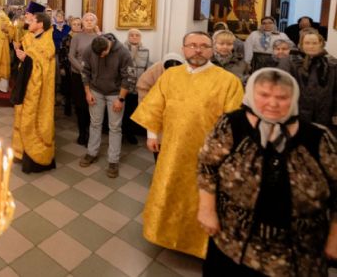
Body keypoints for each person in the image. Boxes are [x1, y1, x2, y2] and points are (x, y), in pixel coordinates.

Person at [197, 68, 337, 275]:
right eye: (264, 95)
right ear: (251, 95)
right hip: (233, 242)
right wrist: (207, 210)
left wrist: (334, 236)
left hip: (299, 253)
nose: (272, 103)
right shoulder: (233, 124)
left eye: (282, 97)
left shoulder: (317, 137)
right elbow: (207, 165)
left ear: (294, 98)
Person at [131, 31, 244, 258]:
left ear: (211, 50)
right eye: (192, 45)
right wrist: (152, 134)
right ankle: (164, 234)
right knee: (168, 190)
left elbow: (235, 122)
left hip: (208, 155)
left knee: (201, 197)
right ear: (183, 49)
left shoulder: (227, 81)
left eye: (203, 45)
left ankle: (197, 244)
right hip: (171, 149)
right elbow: (155, 105)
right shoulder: (171, 75)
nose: (198, 50)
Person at [78, 34, 134, 178]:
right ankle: (92, 153)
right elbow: (85, 72)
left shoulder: (123, 52)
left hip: (115, 93)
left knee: (115, 127)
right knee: (95, 123)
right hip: (95, 91)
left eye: (104, 53)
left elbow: (128, 78)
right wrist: (87, 92)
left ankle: (113, 161)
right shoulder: (89, 49)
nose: (102, 56)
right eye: (99, 55)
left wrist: (120, 99)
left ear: (109, 45)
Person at [11, 11, 56, 173]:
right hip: (26, 86)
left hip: (38, 92)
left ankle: (34, 156)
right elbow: (28, 56)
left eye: (32, 20)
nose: (28, 22)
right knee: (21, 116)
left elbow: (43, 67)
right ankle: (20, 151)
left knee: (32, 119)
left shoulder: (47, 43)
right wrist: (19, 50)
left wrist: (26, 59)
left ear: (40, 24)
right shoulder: (30, 37)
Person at [284, 28, 337, 129]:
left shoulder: (332, 64)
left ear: (321, 44)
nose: (311, 46)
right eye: (307, 43)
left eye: (314, 43)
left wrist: (335, 113)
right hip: (299, 112)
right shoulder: (293, 63)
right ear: (301, 45)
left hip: (324, 112)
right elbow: (286, 89)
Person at [67, 11, 100, 145]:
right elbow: (71, 56)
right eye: (86, 20)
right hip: (78, 75)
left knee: (92, 105)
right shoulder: (77, 37)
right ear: (82, 22)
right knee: (81, 106)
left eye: (92, 20)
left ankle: (92, 133)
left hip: (95, 76)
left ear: (95, 23)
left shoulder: (99, 38)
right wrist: (83, 69)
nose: (89, 22)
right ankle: (82, 134)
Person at [122, 29, 151, 144]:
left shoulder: (145, 50)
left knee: (133, 111)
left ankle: (130, 133)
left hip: (137, 87)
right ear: (128, 37)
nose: (134, 37)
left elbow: (147, 68)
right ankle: (121, 133)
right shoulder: (122, 49)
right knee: (122, 111)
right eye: (132, 35)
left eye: (137, 35)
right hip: (124, 86)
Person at [60, 17, 80, 116]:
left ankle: (78, 109)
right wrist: (62, 67)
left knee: (78, 90)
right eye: (74, 24)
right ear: (71, 26)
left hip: (79, 67)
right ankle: (67, 109)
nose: (76, 26)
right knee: (68, 87)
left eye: (78, 24)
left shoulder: (83, 37)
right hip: (68, 66)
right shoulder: (66, 38)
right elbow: (63, 53)